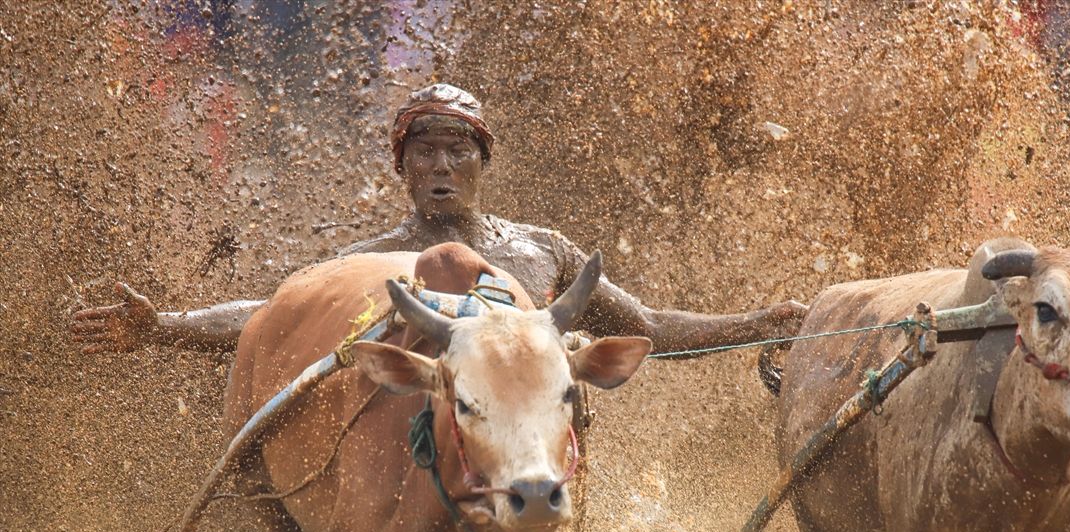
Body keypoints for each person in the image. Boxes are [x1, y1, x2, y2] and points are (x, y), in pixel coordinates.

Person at [70, 83, 806, 356]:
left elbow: (647, 328)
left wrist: (757, 324)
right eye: (423, 152)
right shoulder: (369, 264)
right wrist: (162, 327)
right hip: (412, 454)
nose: (441, 167)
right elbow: (273, 318)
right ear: (401, 168)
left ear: (483, 163)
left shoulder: (541, 250)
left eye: (458, 150)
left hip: (533, 459)